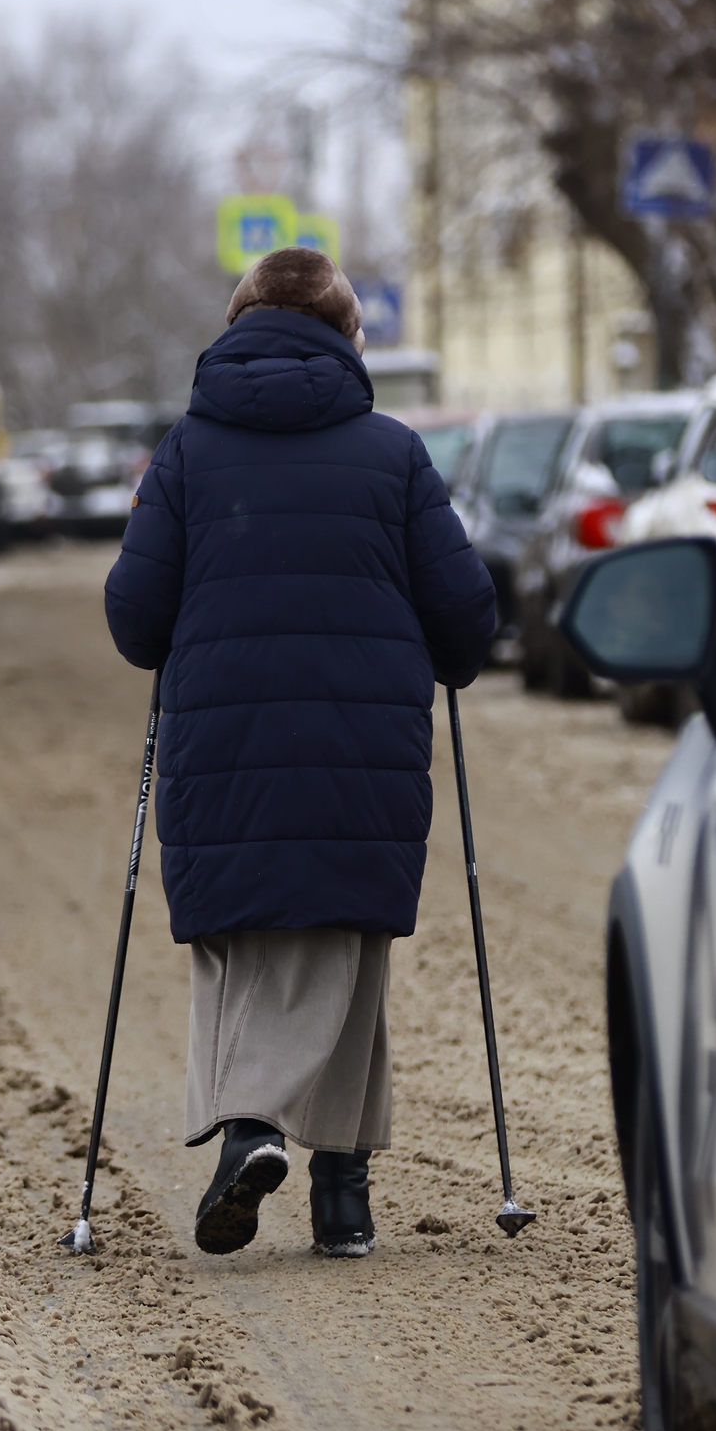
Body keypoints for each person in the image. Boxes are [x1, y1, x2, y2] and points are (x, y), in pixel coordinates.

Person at [103, 247, 497, 1259]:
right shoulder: (394, 453)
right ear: (348, 338)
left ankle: (260, 1136)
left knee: (242, 942)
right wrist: (455, 643)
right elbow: (464, 617)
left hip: (222, 743)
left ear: (235, 333)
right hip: (361, 745)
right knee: (346, 951)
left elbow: (136, 622)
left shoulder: (184, 454)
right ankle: (332, 1188)